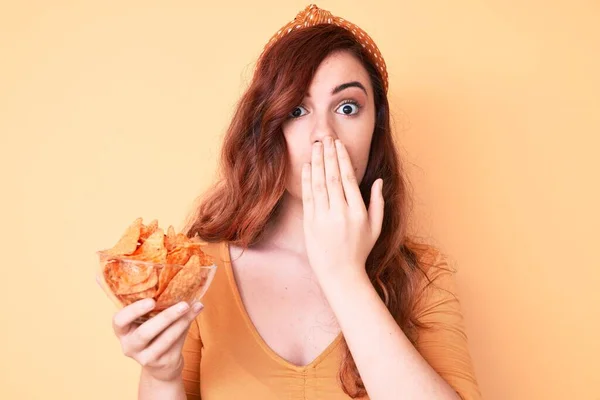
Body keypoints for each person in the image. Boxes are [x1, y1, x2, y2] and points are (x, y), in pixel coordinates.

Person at [110, 4, 482, 399]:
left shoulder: (422, 276)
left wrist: (345, 275)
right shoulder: (199, 270)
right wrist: (161, 375)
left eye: (348, 107)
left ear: (377, 126)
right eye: (297, 110)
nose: (324, 134)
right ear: (267, 130)